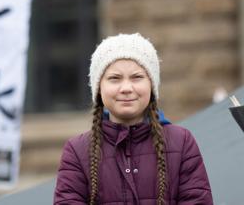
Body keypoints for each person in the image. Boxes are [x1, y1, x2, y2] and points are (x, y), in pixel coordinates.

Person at [54, 33, 213, 205]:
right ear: (99, 88)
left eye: (137, 77)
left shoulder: (181, 142)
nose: (126, 88)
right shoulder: (77, 150)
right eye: (114, 79)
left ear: (151, 85)